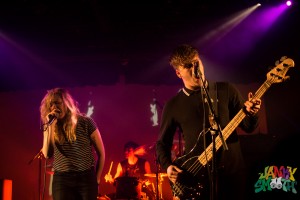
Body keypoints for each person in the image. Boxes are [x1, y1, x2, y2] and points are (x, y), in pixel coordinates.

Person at [156, 44, 262, 200]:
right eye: (188, 66)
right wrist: (168, 166)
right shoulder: (173, 105)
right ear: (179, 73)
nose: (195, 68)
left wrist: (252, 113)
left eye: (196, 62)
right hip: (197, 178)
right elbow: (162, 144)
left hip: (233, 176)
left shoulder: (226, 90)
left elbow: (249, 127)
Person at [40, 88, 105, 200]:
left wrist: (97, 179)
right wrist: (50, 127)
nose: (54, 107)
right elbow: (47, 154)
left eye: (57, 103)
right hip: (62, 179)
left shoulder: (86, 122)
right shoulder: (49, 125)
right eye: (51, 104)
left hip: (86, 178)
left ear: (66, 103)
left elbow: (102, 153)